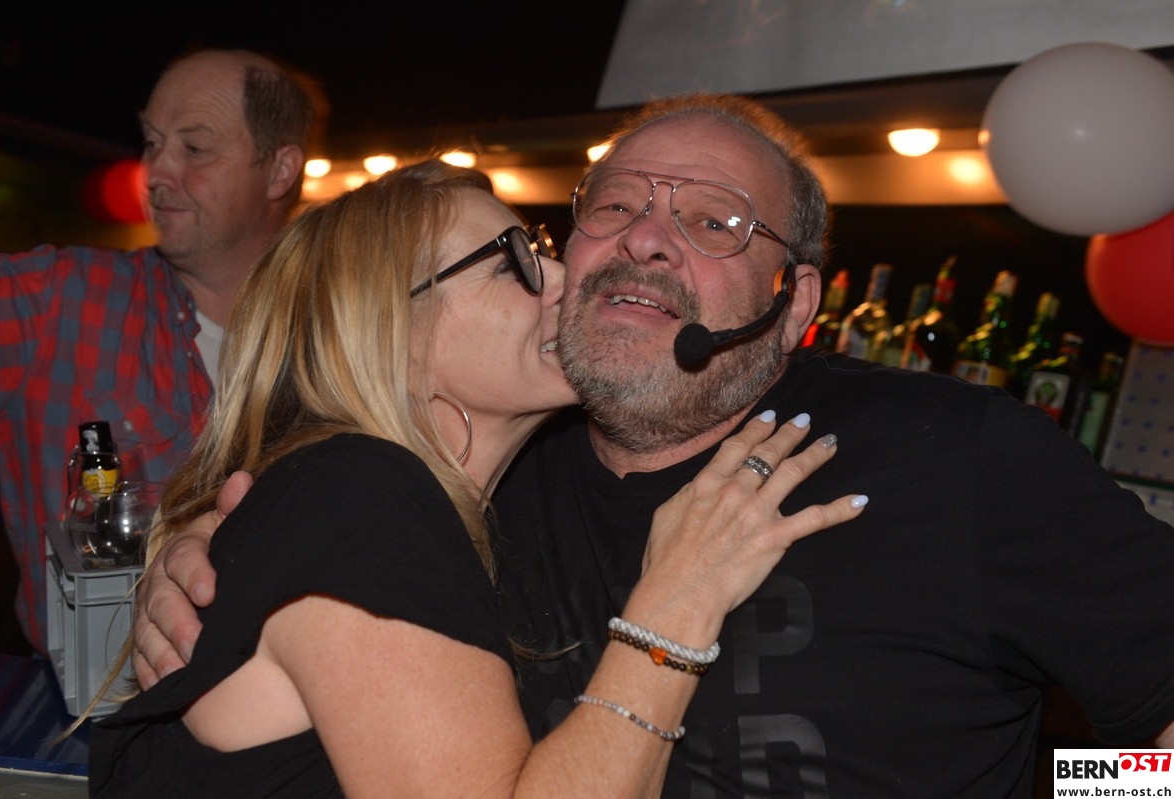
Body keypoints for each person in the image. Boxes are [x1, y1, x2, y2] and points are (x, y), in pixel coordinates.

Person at [135, 94, 1174, 796]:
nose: (646, 236)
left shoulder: (956, 455)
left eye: (718, 222)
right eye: (617, 204)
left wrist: (1071, 785)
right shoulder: (470, 481)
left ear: (795, 302)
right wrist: (197, 562)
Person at [85, 159, 866, 796]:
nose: (563, 277)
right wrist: (677, 606)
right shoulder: (361, 496)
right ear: (389, 326)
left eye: (545, 249)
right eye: (511, 263)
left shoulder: (423, 503)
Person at [0, 47, 325, 651]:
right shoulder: (63, 302)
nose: (156, 172)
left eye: (194, 148)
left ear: (279, 171)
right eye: (152, 143)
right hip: (95, 701)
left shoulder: (345, 337)